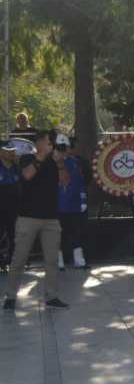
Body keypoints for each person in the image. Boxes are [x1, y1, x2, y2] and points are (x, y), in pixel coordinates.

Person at [3, 130, 69, 310]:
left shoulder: (56, 161)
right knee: (19, 259)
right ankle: (10, 296)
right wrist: (42, 157)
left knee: (52, 260)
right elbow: (27, 175)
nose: (52, 146)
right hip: (28, 218)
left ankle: (52, 296)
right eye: (49, 142)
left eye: (52, 143)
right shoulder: (27, 158)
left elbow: (64, 182)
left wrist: (60, 163)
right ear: (39, 143)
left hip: (51, 219)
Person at [55, 134, 88, 270]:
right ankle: (58, 262)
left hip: (74, 204)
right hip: (59, 204)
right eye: (61, 147)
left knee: (77, 233)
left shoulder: (75, 162)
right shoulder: (51, 163)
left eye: (66, 147)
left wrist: (83, 199)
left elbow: (80, 183)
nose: (64, 149)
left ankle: (79, 261)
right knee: (58, 235)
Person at [0, 140, 19, 274]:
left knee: (14, 235)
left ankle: (12, 261)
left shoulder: (17, 168)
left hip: (14, 208)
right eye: (8, 150)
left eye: (13, 149)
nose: (12, 152)